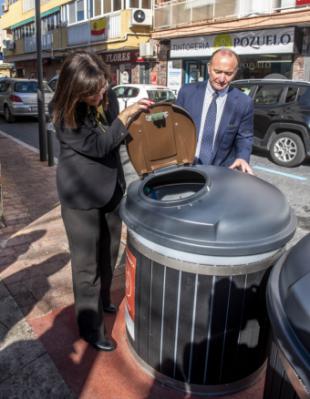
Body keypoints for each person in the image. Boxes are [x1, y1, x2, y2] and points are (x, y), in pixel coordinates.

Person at [50, 50, 153, 352]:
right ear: (74, 90)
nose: (100, 94)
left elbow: (117, 142)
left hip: (110, 190)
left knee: (108, 253)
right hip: (80, 198)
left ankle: (104, 299)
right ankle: (90, 327)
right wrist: (124, 118)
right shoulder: (65, 114)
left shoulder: (107, 99)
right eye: (92, 92)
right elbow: (100, 146)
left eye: (102, 87)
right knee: (87, 267)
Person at [176, 48, 254, 174]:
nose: (222, 79)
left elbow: (245, 136)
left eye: (228, 74)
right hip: (186, 167)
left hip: (222, 172)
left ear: (236, 72)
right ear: (208, 68)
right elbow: (175, 128)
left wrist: (242, 157)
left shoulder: (244, 102)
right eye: (217, 71)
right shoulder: (187, 92)